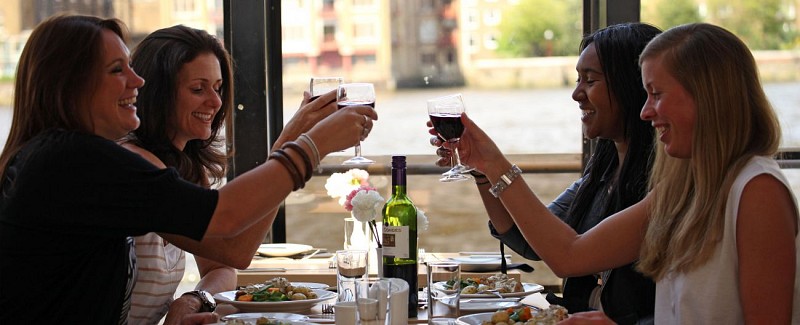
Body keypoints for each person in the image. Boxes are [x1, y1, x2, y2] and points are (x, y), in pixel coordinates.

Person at [0, 14, 377, 323]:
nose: (137, 82)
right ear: (71, 84)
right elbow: (226, 223)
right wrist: (312, 144)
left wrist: (197, 298)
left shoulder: (60, 157)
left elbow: (230, 249)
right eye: (118, 70)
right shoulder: (78, 162)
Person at [443, 23, 798, 323]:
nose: (646, 112)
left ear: (708, 97)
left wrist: (495, 164)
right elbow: (570, 255)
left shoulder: (756, 191)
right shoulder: (687, 188)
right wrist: (487, 166)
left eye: (656, 94)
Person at [431, 23, 660, 324]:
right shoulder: (603, 172)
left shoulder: (666, 185)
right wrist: (483, 172)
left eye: (590, 81)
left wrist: (496, 163)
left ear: (633, 86)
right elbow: (530, 240)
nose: (576, 94)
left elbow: (566, 256)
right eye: (578, 79)